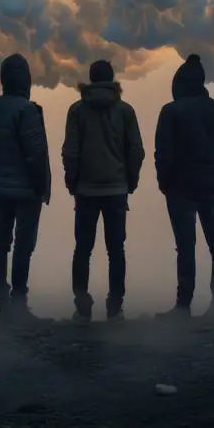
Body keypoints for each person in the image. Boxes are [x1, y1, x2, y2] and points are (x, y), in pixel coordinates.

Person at [154, 54, 214, 322]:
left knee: (185, 247)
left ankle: (183, 306)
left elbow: (163, 153)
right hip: (212, 189)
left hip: (180, 190)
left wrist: (164, 182)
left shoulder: (171, 111)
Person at [62, 59, 145, 323]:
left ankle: (82, 306)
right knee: (116, 250)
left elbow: (71, 152)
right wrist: (130, 182)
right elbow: (136, 151)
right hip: (116, 190)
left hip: (85, 191)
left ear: (90, 79)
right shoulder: (125, 111)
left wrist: (71, 182)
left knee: (82, 249)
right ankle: (115, 307)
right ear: (112, 80)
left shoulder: (76, 111)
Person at [0, 53, 51, 323]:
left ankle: (1, 302)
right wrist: (42, 188)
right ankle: (19, 303)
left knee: (0, 241)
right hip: (27, 192)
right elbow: (36, 154)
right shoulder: (27, 110)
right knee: (23, 245)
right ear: (25, 80)